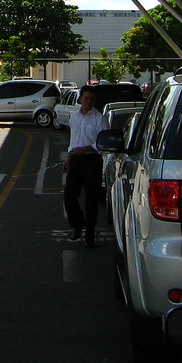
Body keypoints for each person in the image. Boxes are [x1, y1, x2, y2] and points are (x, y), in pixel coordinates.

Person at [63, 85, 106, 248]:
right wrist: (69, 156)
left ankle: (90, 235)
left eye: (92, 99)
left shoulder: (99, 119)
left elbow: (102, 144)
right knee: (69, 196)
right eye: (86, 98)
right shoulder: (74, 117)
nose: (88, 102)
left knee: (91, 200)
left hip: (92, 161)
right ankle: (77, 223)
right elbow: (73, 139)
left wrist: (86, 149)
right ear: (80, 99)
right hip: (76, 160)